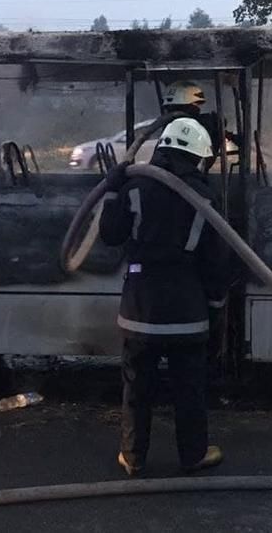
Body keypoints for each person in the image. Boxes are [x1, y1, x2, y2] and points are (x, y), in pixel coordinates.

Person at [99, 117, 229, 477]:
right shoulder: (205, 198)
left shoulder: (135, 188)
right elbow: (217, 261)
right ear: (199, 157)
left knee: (137, 387)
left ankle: (133, 457)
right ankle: (194, 455)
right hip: (188, 312)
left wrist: (112, 188)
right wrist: (216, 306)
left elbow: (109, 235)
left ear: (161, 149)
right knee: (189, 390)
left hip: (140, 310)